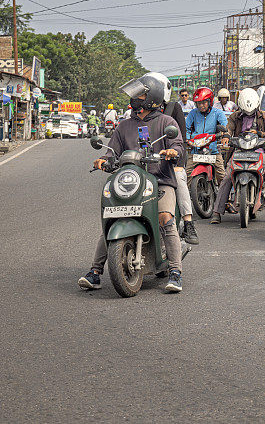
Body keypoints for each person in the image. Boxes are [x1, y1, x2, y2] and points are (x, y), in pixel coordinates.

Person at [78, 72, 186, 293]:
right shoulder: (124, 126)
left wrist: (171, 151)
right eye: (135, 93)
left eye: (140, 94)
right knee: (111, 218)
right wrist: (103, 160)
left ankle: (176, 271)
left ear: (152, 97)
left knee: (166, 218)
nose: (135, 97)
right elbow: (112, 152)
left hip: (160, 180)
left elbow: (178, 146)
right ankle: (95, 271)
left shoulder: (167, 122)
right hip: (130, 181)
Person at [210, 88, 265, 224]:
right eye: (245, 111)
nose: (248, 113)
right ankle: (217, 212)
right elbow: (229, 128)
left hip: (259, 151)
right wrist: (226, 137)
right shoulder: (234, 116)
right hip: (239, 151)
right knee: (227, 177)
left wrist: (259, 133)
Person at [147, 73, 199, 246]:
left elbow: (181, 141)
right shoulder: (138, 112)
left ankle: (189, 222)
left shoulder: (173, 108)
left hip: (169, 163)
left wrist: (177, 163)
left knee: (179, 179)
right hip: (145, 163)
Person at [184, 87, 228, 196]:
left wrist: (225, 135)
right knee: (187, 175)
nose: (201, 106)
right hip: (195, 149)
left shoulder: (218, 113)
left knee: (222, 176)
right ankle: (182, 203)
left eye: (204, 102)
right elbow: (186, 128)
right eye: (198, 103)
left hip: (213, 149)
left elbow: (225, 125)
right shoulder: (193, 113)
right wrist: (187, 138)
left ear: (210, 102)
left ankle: (226, 200)